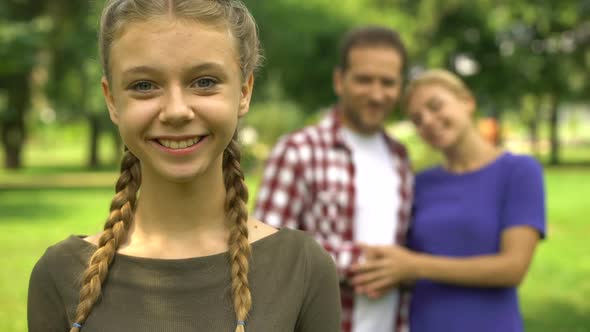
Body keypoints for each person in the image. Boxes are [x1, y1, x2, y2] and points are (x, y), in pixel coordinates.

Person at [27, 1, 341, 332]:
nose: (176, 111)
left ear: (245, 91)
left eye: (204, 81)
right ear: (111, 100)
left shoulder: (301, 267)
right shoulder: (60, 274)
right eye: (144, 85)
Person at [352, 68, 546, 332]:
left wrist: (416, 266)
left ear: (467, 101)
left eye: (435, 106)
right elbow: (398, 257)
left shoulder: (519, 171)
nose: (428, 121)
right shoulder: (419, 183)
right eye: (417, 120)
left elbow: (513, 267)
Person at [254, 26, 413, 332]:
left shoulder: (400, 157)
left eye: (388, 83)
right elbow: (264, 251)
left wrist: (407, 268)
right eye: (364, 80)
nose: (377, 94)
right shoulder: (298, 150)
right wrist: (364, 263)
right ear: (340, 81)